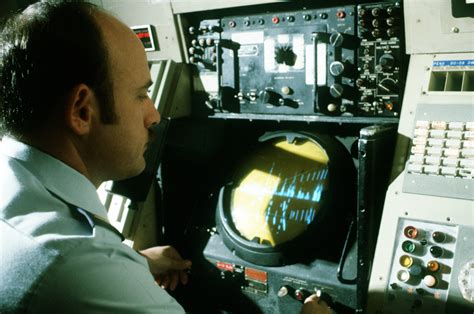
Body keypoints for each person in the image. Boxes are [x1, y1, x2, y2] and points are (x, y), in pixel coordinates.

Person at [0, 1, 330, 313]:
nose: (155, 115)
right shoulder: (82, 269)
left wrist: (132, 263)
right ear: (82, 111)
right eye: (142, 94)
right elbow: (75, 273)